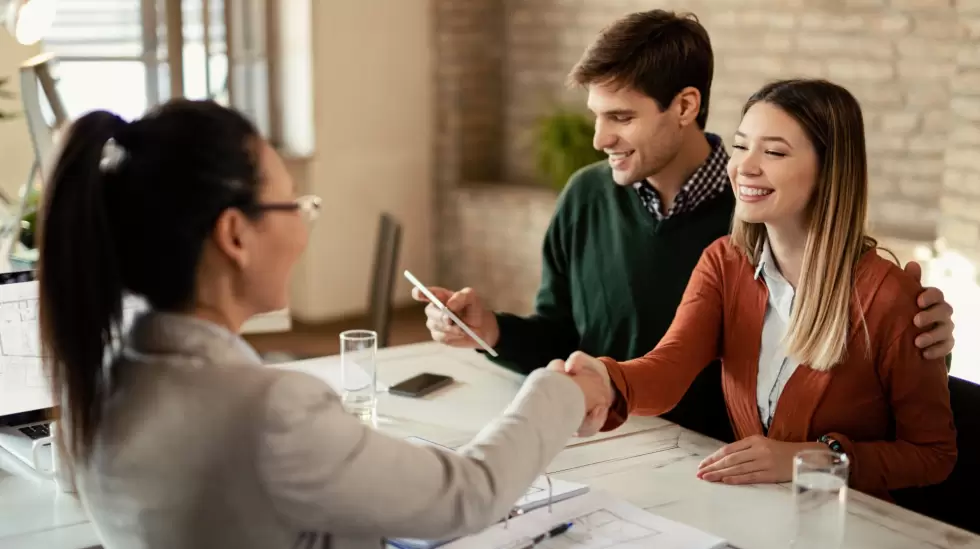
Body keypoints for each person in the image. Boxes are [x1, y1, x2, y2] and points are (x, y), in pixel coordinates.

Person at [37, 100, 612, 549]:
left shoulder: (97, 386)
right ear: (235, 235)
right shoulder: (272, 411)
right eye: (293, 205)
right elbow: (471, 493)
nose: (304, 228)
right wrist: (559, 391)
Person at [415, 10, 956, 444]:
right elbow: (575, 337)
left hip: (722, 456)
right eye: (596, 116)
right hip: (608, 433)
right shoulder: (586, 197)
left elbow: (870, 377)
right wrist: (491, 330)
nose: (600, 139)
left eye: (621, 117)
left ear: (685, 105)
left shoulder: (762, 214)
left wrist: (924, 336)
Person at [562, 78, 957, 502]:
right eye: (741, 146)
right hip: (758, 516)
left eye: (773, 152)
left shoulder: (892, 298)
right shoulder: (724, 263)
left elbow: (933, 455)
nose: (744, 167)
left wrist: (813, 457)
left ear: (830, 170)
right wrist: (602, 380)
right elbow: (667, 369)